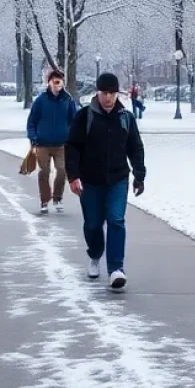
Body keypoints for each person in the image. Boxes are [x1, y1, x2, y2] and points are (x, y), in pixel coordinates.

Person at [65, 72, 145, 290]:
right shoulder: (85, 116)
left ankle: (116, 269)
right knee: (93, 224)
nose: (108, 98)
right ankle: (94, 254)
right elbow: (72, 147)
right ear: (97, 93)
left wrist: (139, 175)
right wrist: (73, 176)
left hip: (118, 179)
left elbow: (135, 148)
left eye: (112, 93)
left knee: (116, 220)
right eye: (104, 93)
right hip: (90, 180)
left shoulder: (125, 117)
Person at [27, 69, 78, 213]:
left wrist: (74, 138)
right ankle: (44, 200)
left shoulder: (68, 100)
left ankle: (57, 197)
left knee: (62, 171)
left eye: (59, 81)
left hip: (62, 144)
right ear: (49, 83)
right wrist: (33, 138)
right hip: (43, 143)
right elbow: (32, 121)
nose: (57, 85)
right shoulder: (41, 100)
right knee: (44, 172)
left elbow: (74, 120)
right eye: (54, 81)